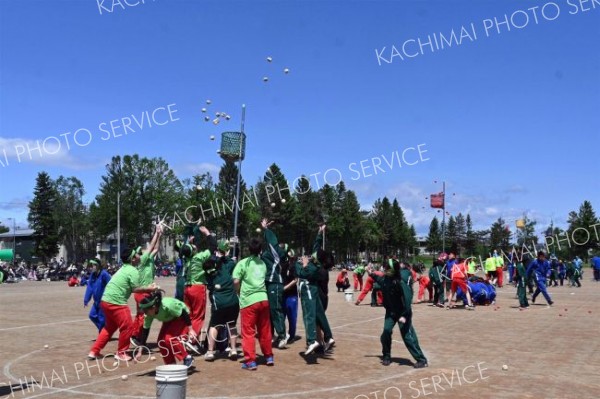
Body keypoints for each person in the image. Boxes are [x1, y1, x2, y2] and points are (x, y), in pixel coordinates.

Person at [88, 247, 158, 361]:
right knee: (128, 326)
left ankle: (94, 351)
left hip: (105, 300)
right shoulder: (132, 270)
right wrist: (150, 288)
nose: (139, 256)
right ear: (133, 259)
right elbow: (136, 289)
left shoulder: (124, 268)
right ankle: (121, 353)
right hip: (116, 302)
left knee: (109, 328)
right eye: (137, 255)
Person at [368, 259, 428, 368]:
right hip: (391, 312)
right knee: (386, 332)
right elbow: (380, 279)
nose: (384, 269)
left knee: (408, 336)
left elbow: (408, 299)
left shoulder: (400, 281)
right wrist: (371, 274)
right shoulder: (386, 278)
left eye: (386, 268)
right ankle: (386, 355)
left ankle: (421, 359)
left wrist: (405, 315)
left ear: (392, 270)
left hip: (403, 312)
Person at [233, 237, 273, 370]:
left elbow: (236, 281)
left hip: (249, 301)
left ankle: (250, 361)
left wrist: (238, 292)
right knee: (265, 329)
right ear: (260, 250)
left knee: (248, 331)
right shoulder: (262, 264)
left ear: (248, 249)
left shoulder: (243, 263)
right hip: (263, 298)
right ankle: (268, 356)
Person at [296, 225, 334, 356]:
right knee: (319, 316)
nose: (312, 254)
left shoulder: (314, 268)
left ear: (317, 259)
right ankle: (328, 337)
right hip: (318, 294)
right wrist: (319, 232)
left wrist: (304, 264)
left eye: (314, 255)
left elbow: (301, 273)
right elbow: (316, 245)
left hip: (313, 293)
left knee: (310, 316)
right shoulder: (317, 262)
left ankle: (312, 341)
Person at [203, 240, 240, 361]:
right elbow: (230, 262)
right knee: (231, 325)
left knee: (215, 325)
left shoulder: (209, 266)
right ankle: (233, 349)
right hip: (233, 300)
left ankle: (210, 351)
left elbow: (210, 264)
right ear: (227, 252)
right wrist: (231, 253)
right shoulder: (229, 264)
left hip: (219, 301)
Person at [138, 290, 195, 368]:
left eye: (145, 310)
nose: (144, 312)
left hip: (181, 317)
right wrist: (140, 350)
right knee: (161, 342)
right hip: (169, 319)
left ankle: (187, 357)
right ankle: (170, 364)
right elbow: (145, 330)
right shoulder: (149, 314)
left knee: (170, 339)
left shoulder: (168, 305)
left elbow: (184, 313)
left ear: (153, 307)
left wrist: (191, 329)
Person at [183, 226, 216, 341]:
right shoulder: (199, 257)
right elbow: (213, 247)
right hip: (197, 288)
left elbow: (186, 250)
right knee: (198, 316)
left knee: (188, 315)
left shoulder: (186, 259)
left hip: (187, 288)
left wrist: (190, 242)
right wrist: (207, 233)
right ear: (193, 250)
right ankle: (192, 339)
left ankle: (185, 336)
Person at [131, 225, 162, 347]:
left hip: (146, 291)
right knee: (143, 314)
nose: (145, 250)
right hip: (141, 292)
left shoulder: (148, 259)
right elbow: (152, 246)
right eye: (142, 251)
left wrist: (160, 234)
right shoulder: (142, 260)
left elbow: (156, 248)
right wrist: (156, 231)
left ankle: (136, 336)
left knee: (142, 314)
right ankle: (135, 336)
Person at [260, 219, 288, 349]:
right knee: (269, 311)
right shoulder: (270, 252)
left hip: (275, 283)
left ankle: (282, 335)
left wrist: (266, 229)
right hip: (269, 283)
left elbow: (272, 241)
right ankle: (273, 335)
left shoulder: (276, 252)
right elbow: (268, 242)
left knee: (275, 310)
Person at [83, 259, 111, 332]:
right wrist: (86, 299)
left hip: (104, 300)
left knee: (102, 318)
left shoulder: (104, 274)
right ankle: (105, 331)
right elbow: (90, 287)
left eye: (93, 265)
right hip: (96, 302)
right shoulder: (93, 275)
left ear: (97, 266)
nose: (91, 267)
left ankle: (103, 333)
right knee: (92, 315)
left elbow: (111, 285)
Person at [282, 248, 300, 344]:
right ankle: (283, 335)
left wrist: (285, 287)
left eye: (292, 257)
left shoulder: (295, 266)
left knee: (292, 317)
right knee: (281, 316)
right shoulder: (284, 265)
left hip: (292, 295)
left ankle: (291, 335)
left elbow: (296, 280)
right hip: (283, 295)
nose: (290, 259)